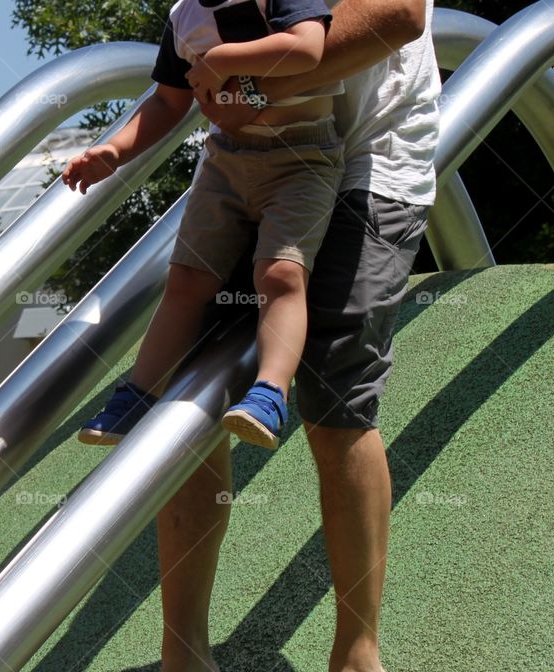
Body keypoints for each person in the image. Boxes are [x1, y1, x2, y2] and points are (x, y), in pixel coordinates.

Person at [154, 0, 440, 670]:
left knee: (335, 396)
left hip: (370, 155)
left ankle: (357, 653)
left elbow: (399, 16)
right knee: (192, 374)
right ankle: (183, 651)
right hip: (258, 151)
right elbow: (180, 80)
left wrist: (240, 86)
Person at [63, 0, 347, 451]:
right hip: (225, 160)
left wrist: (221, 60)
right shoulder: (183, 18)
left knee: (281, 273)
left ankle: (271, 392)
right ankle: (138, 394)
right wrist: (116, 151)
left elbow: (308, 47)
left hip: (302, 156)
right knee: (187, 278)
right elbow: (167, 100)